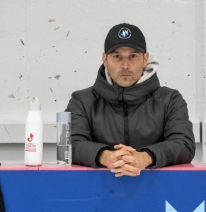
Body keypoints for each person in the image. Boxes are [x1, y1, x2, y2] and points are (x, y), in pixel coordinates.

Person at [66, 23, 196, 177]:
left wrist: (145, 158)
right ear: (105, 59)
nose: (125, 66)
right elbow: (70, 144)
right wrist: (105, 156)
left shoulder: (170, 100)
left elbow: (184, 144)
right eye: (117, 57)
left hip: (156, 189)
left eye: (133, 56)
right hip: (95, 190)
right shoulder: (81, 101)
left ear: (145, 59)